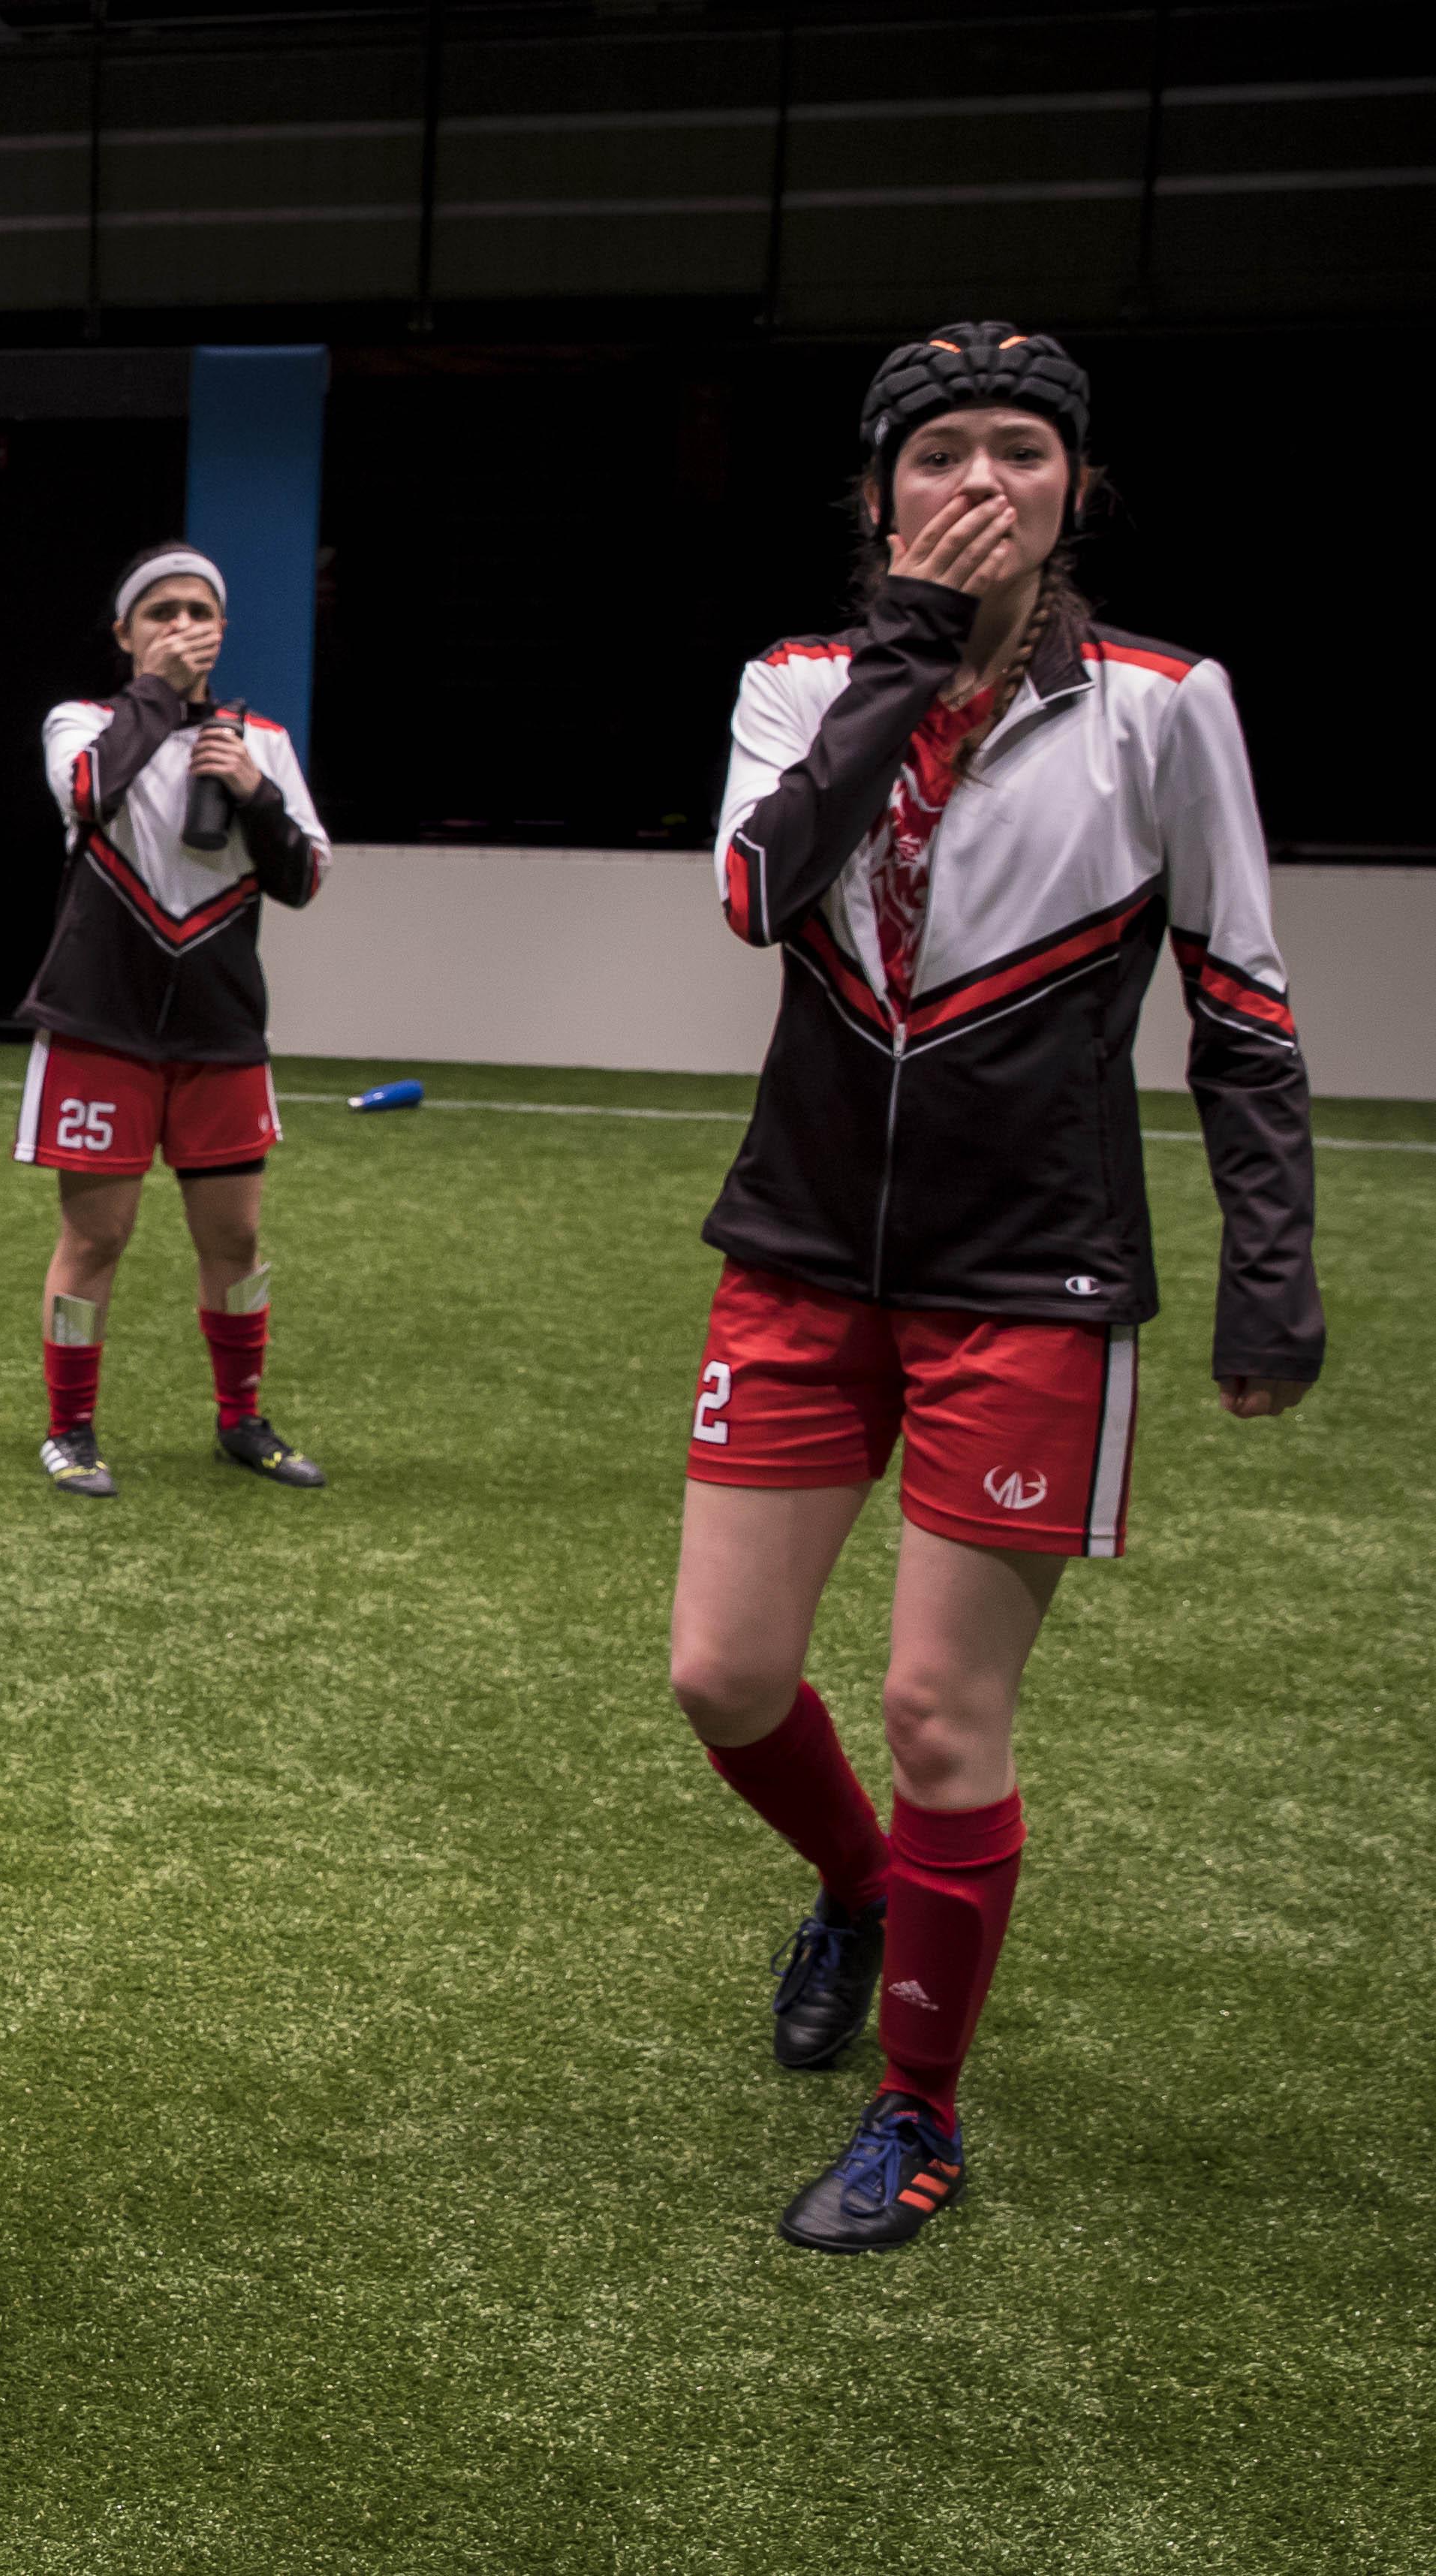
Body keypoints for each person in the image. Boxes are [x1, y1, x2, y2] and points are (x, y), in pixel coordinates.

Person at [674, 323, 1320, 2251]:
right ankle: (861, 1889)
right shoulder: (795, 685)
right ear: (878, 495)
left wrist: (1265, 1273)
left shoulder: (1163, 702)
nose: (982, 483)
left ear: (1075, 490)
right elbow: (757, 892)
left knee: (942, 1712)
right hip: (797, 1252)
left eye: (1022, 454)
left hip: (1030, 1280)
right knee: (722, 1678)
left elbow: (1245, 1002)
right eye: (940, 452)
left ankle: (917, 2105)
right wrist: (898, 654)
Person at [20, 542, 330, 1499]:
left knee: (233, 1240)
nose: (184, 626)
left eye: (200, 611)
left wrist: (254, 789)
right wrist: (156, 697)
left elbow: (306, 875)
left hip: (221, 1035)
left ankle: (241, 1417)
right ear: (125, 635)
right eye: (161, 613)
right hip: (99, 1029)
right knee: (97, 1236)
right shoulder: (85, 721)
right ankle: (69, 1428)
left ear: (224, 627)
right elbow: (83, 794)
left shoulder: (259, 740)